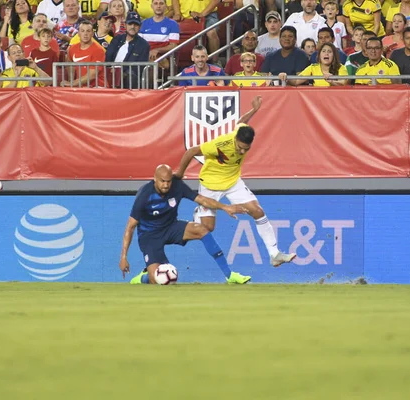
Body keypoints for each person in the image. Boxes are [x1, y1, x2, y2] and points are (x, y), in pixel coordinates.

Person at [173, 96, 297, 268]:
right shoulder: (220, 144)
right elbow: (192, 151)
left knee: (257, 211)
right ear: (235, 140)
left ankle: (274, 254)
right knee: (207, 228)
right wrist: (180, 173)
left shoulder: (242, 132)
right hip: (211, 184)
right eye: (239, 147)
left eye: (245, 149)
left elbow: (241, 121)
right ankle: (197, 213)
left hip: (232, 181)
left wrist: (254, 110)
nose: (241, 150)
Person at [120, 164, 251, 285]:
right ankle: (143, 277)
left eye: (168, 181)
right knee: (157, 279)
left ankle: (229, 275)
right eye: (162, 181)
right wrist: (124, 257)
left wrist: (225, 207)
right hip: (149, 236)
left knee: (201, 229)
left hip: (170, 227)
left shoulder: (177, 186)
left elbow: (202, 200)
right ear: (155, 179)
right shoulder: (145, 195)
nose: (166, 185)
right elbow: (130, 227)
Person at [105, 11, 150, 88]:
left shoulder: (144, 45)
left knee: (131, 75)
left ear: (140, 26)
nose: (133, 27)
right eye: (130, 24)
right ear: (125, 25)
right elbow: (107, 58)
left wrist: (120, 73)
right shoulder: (116, 39)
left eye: (136, 24)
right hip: (110, 74)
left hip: (127, 79)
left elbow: (139, 68)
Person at [282, 41, 348, 85]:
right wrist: (286, 78)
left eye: (329, 52)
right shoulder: (313, 67)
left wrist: (332, 82)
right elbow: (296, 81)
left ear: (334, 55)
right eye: (324, 51)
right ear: (319, 55)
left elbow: (344, 83)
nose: (326, 54)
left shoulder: (341, 67)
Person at [63, 20, 106, 87]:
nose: (85, 34)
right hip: (80, 86)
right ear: (78, 33)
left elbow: (92, 74)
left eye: (88, 31)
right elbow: (70, 65)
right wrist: (70, 81)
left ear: (92, 33)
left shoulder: (99, 50)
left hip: (97, 86)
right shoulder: (72, 48)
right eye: (82, 31)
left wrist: (73, 83)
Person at [139, 0, 179, 67]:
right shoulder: (144, 23)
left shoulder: (173, 24)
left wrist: (157, 50)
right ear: (152, 6)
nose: (158, 6)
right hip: (145, 56)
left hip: (163, 57)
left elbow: (173, 46)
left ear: (165, 6)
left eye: (161, 3)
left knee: (151, 62)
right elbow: (139, 44)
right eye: (155, 3)